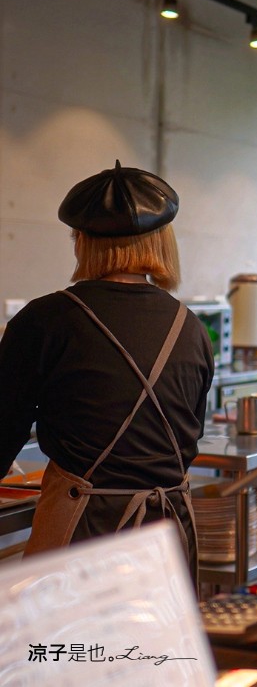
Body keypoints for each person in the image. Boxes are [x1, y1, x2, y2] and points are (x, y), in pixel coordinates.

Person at [0, 161, 214, 582]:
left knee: (72, 648)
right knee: (154, 649)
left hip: (82, 534)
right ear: (162, 241)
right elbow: (187, 435)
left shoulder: (47, 319)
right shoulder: (189, 325)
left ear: (82, 241)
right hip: (168, 536)